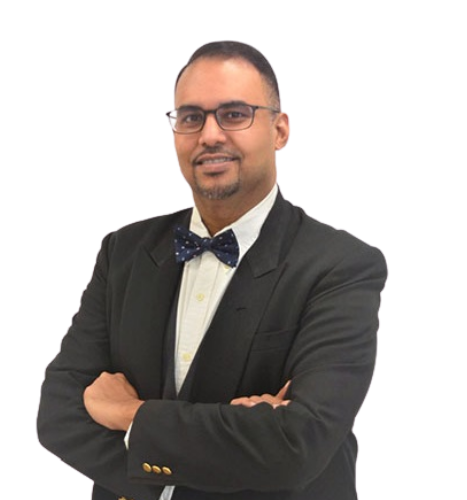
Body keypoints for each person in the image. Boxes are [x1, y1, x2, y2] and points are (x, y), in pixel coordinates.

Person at [37, 40, 387, 500]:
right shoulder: (122, 250)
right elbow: (57, 413)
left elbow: (298, 444)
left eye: (234, 114)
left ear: (280, 129)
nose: (209, 135)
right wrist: (238, 439)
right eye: (191, 117)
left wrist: (129, 415)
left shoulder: (343, 264)